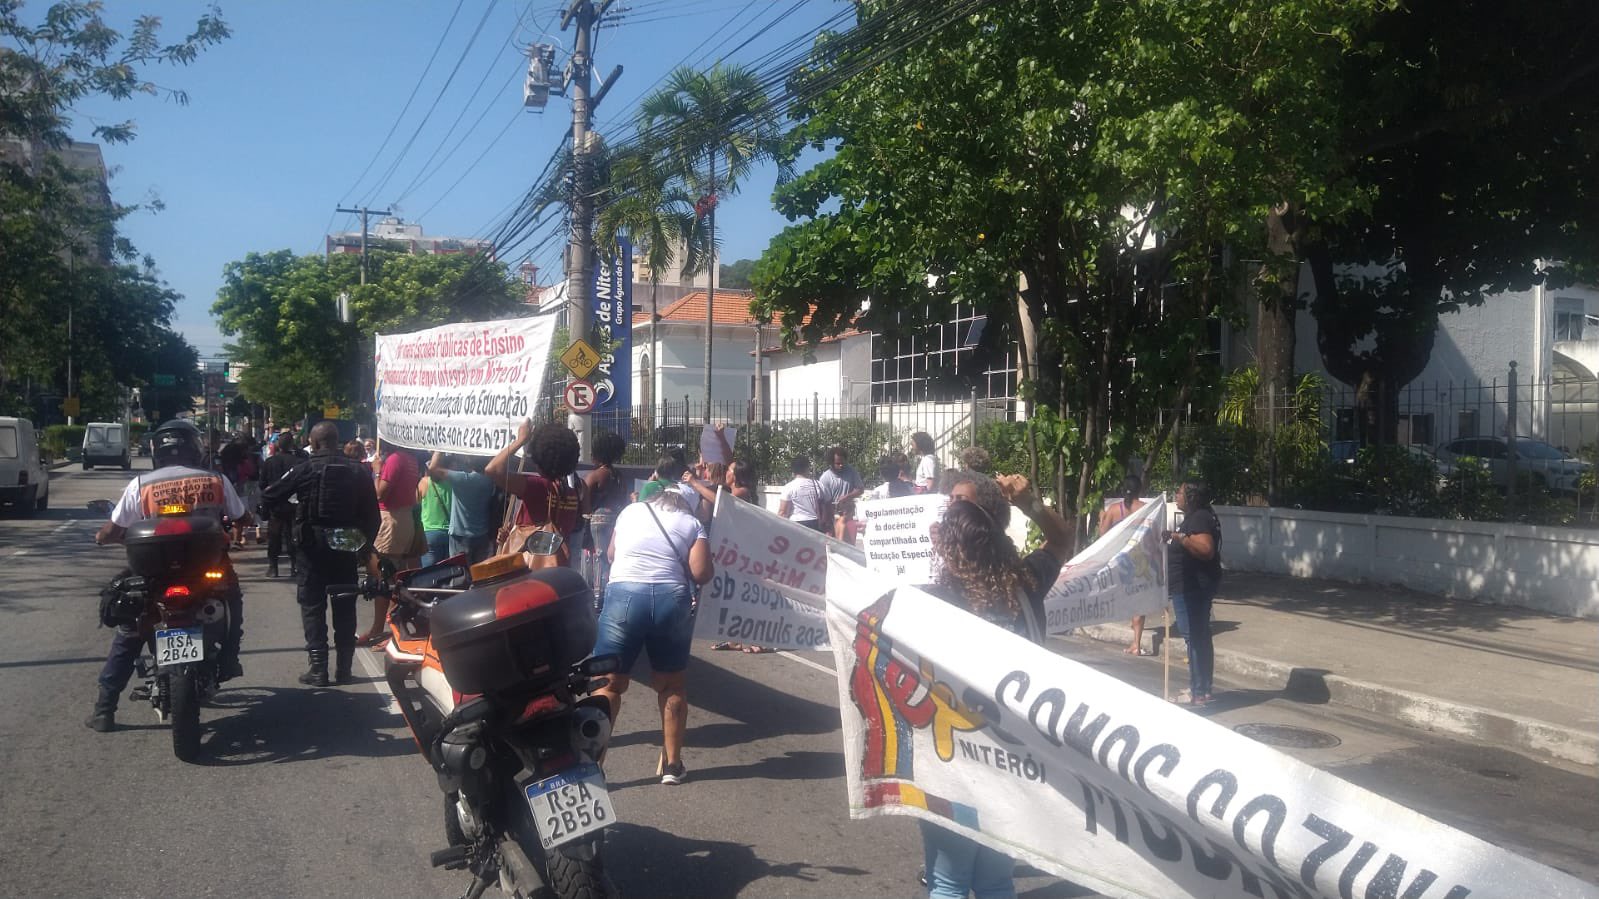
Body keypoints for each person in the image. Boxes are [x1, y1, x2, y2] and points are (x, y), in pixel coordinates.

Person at [920, 472, 1070, 897]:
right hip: (1015, 763)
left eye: (955, 507)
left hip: (954, 764)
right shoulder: (1024, 585)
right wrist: (1034, 506)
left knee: (949, 882)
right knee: (994, 881)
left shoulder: (933, 600)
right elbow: (1061, 542)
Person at [87, 420, 251, 732]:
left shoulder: (141, 485)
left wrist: (101, 537)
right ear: (196, 448)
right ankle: (230, 658)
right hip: (208, 570)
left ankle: (104, 708)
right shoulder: (215, 480)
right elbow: (242, 516)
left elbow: (113, 530)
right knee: (232, 602)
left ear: (156, 452)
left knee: (130, 628)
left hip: (154, 574)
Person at [592, 489, 714, 785]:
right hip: (670, 599)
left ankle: (593, 766)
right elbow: (701, 573)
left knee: (609, 683)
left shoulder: (630, 512)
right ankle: (672, 766)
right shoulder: (691, 523)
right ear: (685, 505)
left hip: (625, 596)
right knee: (671, 685)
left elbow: (611, 555)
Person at [261, 421, 380, 687]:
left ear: (313, 443)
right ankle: (345, 670)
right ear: (337, 441)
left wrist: (290, 513)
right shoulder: (358, 471)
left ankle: (319, 670)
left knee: (312, 605)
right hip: (345, 545)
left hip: (310, 547)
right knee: (345, 606)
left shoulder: (304, 469)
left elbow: (269, 496)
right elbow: (373, 516)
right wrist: (362, 545)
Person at [486, 420, 585, 556]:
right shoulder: (572, 493)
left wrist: (520, 440)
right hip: (558, 565)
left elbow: (493, 470)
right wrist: (513, 535)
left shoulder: (538, 487)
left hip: (532, 570)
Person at [1164, 480, 1223, 707]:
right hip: (1196, 585)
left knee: (1194, 638)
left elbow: (1206, 549)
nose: (1176, 495)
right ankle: (1203, 689)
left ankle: (1197, 691)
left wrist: (1180, 538)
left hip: (1192, 587)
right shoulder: (1203, 516)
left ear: (1191, 497)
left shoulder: (1199, 517)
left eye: (1179, 492)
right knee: (1200, 636)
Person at [357, 445, 422, 647]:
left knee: (384, 578)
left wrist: (377, 470)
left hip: (391, 520)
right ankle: (386, 629)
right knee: (391, 578)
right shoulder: (410, 458)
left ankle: (387, 632)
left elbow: (380, 494)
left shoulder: (395, 459)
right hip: (402, 520)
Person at [1098, 476, 1150, 655]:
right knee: (1138, 600)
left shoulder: (1114, 510)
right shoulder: (1145, 509)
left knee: (1124, 596)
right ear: (1139, 490)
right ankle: (1136, 642)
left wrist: (1102, 518)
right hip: (1139, 559)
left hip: (1119, 561)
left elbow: (1103, 535)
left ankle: (1133, 634)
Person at [424, 453, 498, 563]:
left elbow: (433, 469)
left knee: (459, 574)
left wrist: (438, 449)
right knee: (479, 574)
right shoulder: (489, 481)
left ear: (469, 462)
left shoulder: (463, 479)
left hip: (460, 536)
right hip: (482, 535)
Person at [583, 432, 629, 589]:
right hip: (616, 521)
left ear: (598, 453)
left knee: (597, 558)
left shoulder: (594, 476)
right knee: (610, 558)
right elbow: (623, 500)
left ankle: (597, 595)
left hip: (597, 522)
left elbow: (585, 504)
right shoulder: (619, 476)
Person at [260, 434, 306, 578]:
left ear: (278, 446)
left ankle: (273, 567)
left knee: (274, 536)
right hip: (294, 504)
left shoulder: (270, 462)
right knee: (293, 536)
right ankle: (294, 567)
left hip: (276, 504)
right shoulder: (300, 462)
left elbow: (263, 484)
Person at [818, 446, 865, 528]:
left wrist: (847, 497)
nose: (841, 465)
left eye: (843, 462)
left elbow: (860, 489)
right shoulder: (825, 478)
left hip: (848, 514)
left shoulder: (851, 471)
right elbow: (822, 501)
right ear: (831, 463)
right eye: (838, 463)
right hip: (832, 516)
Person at [415, 468, 453, 567]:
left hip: (430, 533)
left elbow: (415, 504)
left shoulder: (424, 482)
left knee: (429, 574)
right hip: (450, 533)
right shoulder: (452, 481)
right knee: (449, 572)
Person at [778, 455, 827, 531]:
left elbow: (782, 512)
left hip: (795, 525)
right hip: (815, 524)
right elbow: (827, 507)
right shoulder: (819, 485)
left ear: (793, 470)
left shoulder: (789, 487)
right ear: (807, 468)